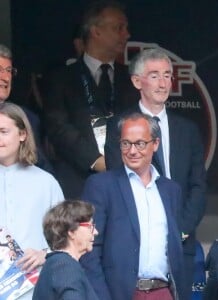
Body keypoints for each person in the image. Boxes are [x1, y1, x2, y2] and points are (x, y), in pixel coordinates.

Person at [105, 48, 206, 299]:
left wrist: (181, 229)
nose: (163, 83)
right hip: (137, 243)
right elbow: (119, 182)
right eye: (154, 75)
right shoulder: (120, 125)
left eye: (167, 75)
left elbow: (198, 185)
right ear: (137, 81)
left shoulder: (188, 129)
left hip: (181, 240)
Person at [80, 112, 184, 300]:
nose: (132, 151)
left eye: (140, 144)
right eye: (126, 143)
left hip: (162, 292)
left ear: (156, 144)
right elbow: (89, 249)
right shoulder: (101, 185)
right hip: (119, 294)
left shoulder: (171, 190)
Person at [43, 0, 139, 198]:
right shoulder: (61, 78)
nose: (126, 34)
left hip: (124, 180)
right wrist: (96, 160)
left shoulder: (131, 79)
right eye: (119, 28)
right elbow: (57, 127)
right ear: (96, 32)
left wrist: (118, 161)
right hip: (77, 182)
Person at [0, 102, 64, 300]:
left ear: (22, 134)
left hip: (36, 289)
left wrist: (44, 254)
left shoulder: (45, 182)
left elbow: (67, 239)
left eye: (3, 131)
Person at [0, 43, 53, 173]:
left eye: (9, 71)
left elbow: (41, 165)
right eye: (0, 70)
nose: (6, 77)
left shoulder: (26, 118)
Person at [32, 200, 99, 300]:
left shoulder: (55, 263)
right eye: (90, 226)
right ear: (71, 232)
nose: (96, 232)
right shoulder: (65, 266)